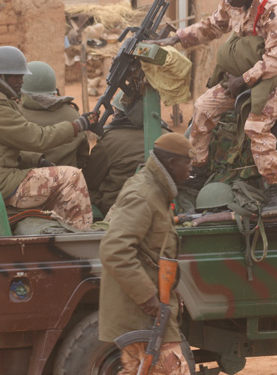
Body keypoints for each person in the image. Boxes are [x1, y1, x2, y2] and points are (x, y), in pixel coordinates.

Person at [150, 0, 277, 215]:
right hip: (249, 69)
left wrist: (243, 80)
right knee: (204, 107)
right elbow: (213, 26)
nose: (228, 0)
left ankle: (276, 189)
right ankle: (200, 172)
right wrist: (177, 39)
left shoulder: (273, 8)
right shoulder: (233, 1)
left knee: (256, 125)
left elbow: (276, 61)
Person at [0, 46, 98, 231]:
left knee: (55, 178)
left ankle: (60, 233)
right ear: (0, 76)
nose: (21, 81)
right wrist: (77, 126)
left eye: (22, 76)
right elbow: (37, 139)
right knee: (72, 177)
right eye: (16, 76)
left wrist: (38, 160)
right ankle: (81, 241)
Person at [99, 133, 194, 375]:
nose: (190, 169)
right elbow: (114, 249)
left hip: (148, 311)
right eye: (188, 162)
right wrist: (146, 295)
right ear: (172, 163)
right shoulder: (144, 194)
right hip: (142, 313)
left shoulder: (156, 190)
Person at [83, 92, 169, 215]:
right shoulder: (166, 135)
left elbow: (90, 180)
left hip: (117, 206)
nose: (113, 114)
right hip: (160, 204)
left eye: (116, 111)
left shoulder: (110, 140)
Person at [19, 61, 89, 168]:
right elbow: (83, 156)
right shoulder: (73, 115)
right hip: (67, 180)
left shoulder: (14, 115)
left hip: (26, 182)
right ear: (54, 90)